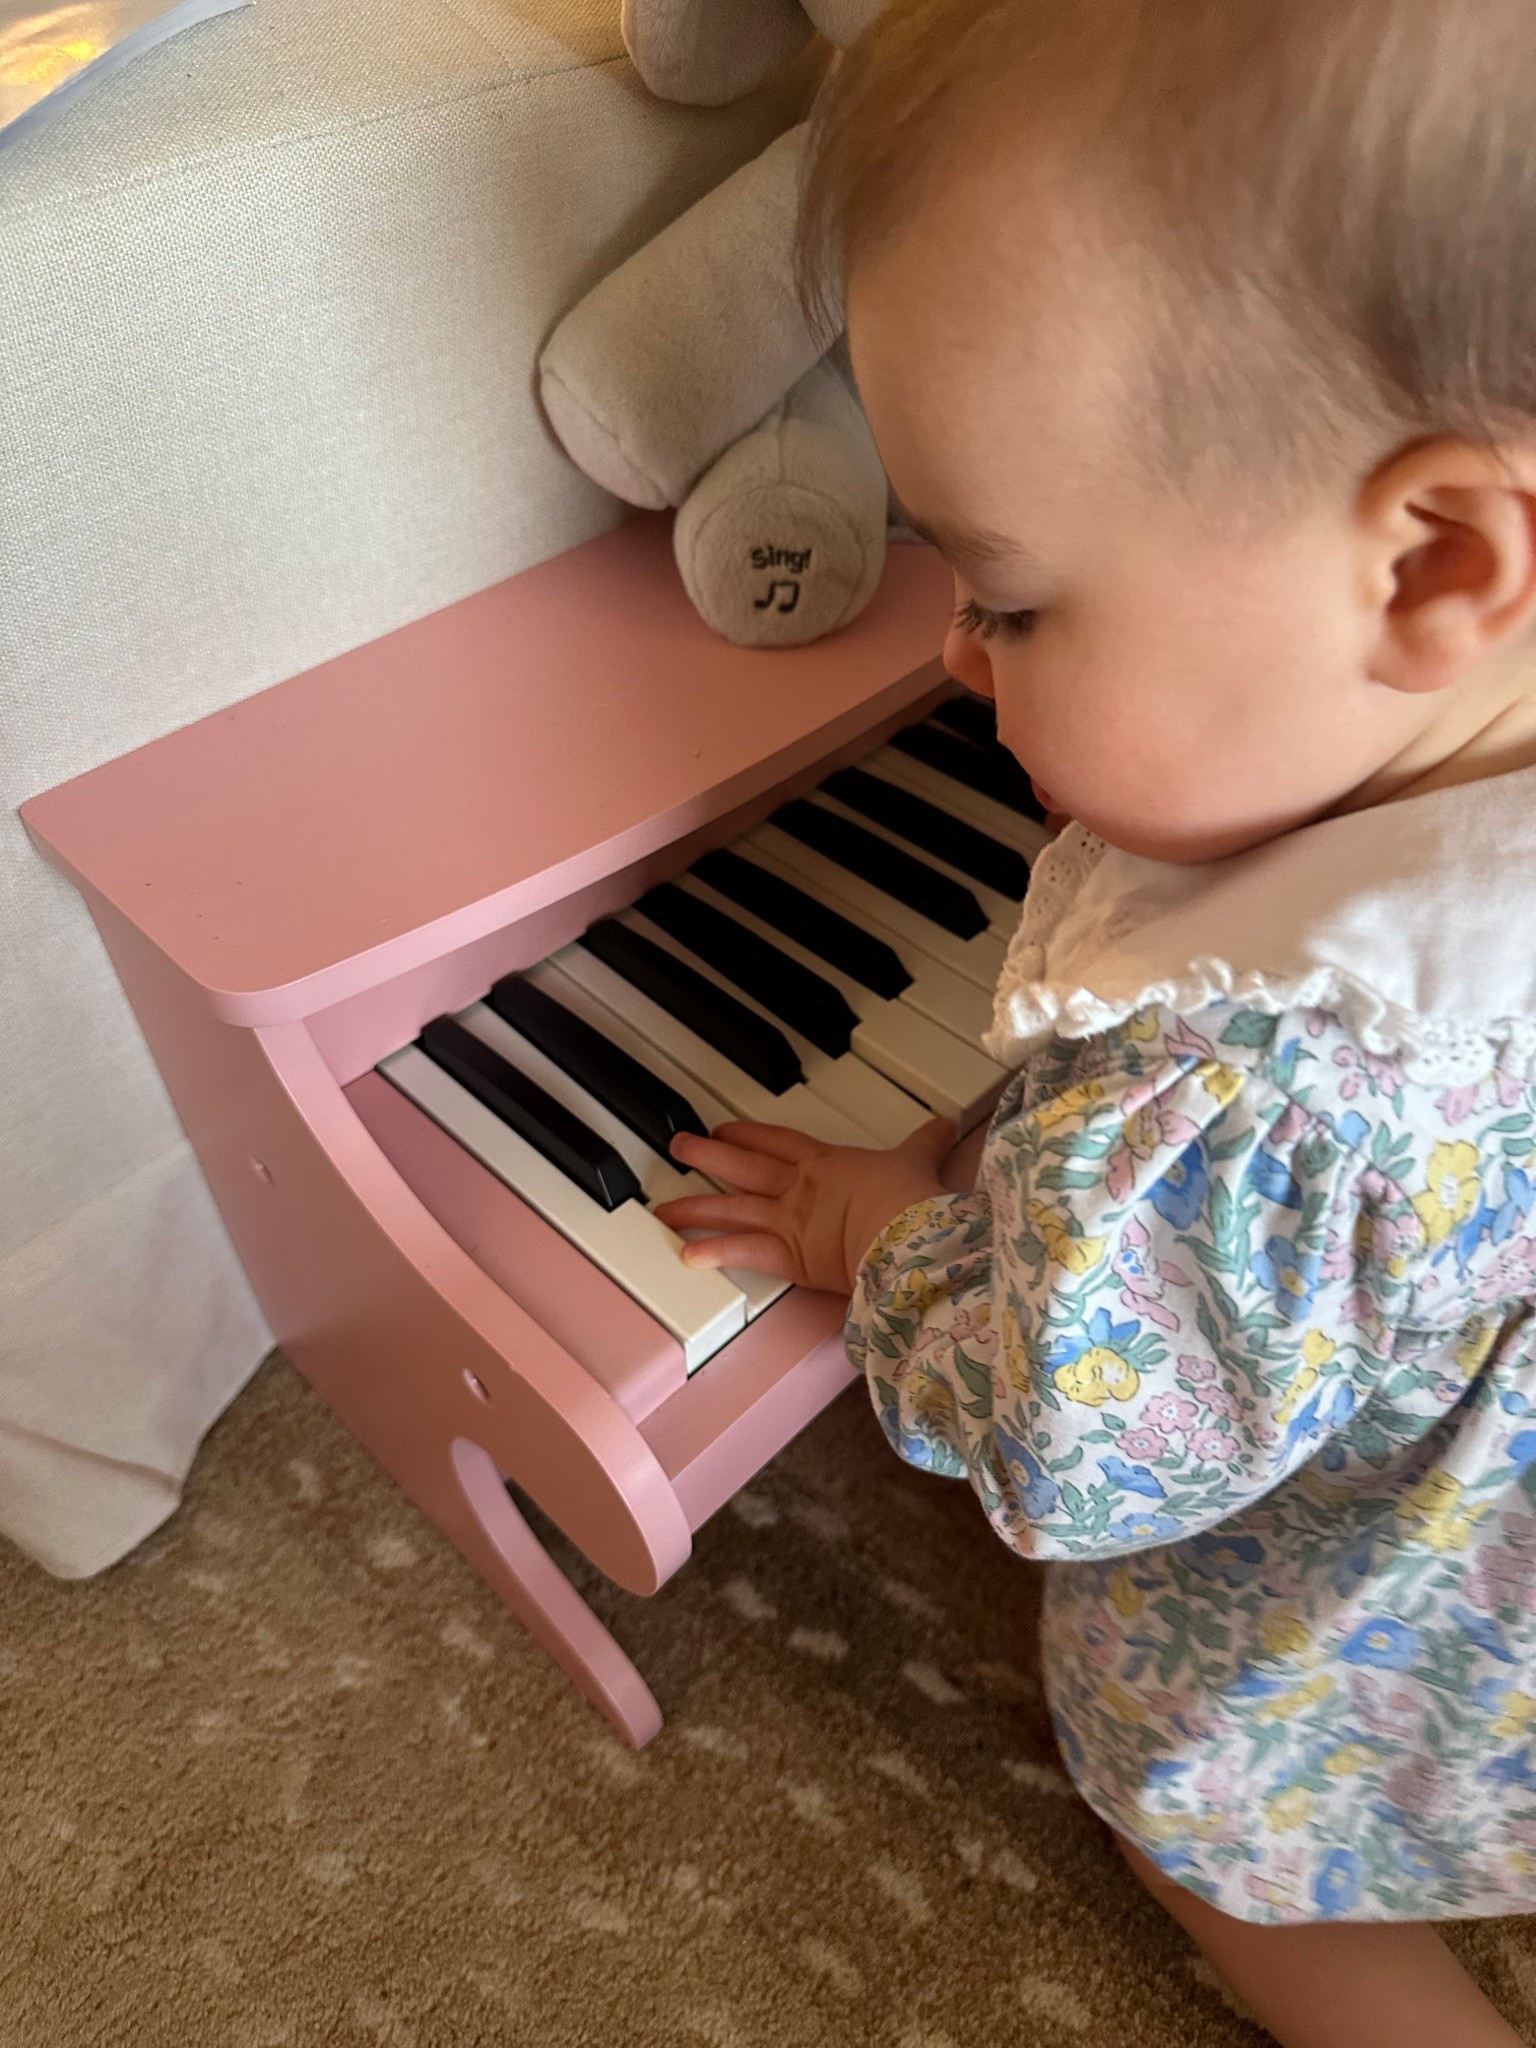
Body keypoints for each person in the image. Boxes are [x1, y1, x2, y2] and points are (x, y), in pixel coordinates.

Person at [655, 2, 1536, 2041]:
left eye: (1016, 595)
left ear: (1430, 564)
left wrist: (879, 1238)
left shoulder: (1247, 1092)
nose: (952, 646)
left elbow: (1088, 1444)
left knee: (1197, 1804)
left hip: (1405, 1606)